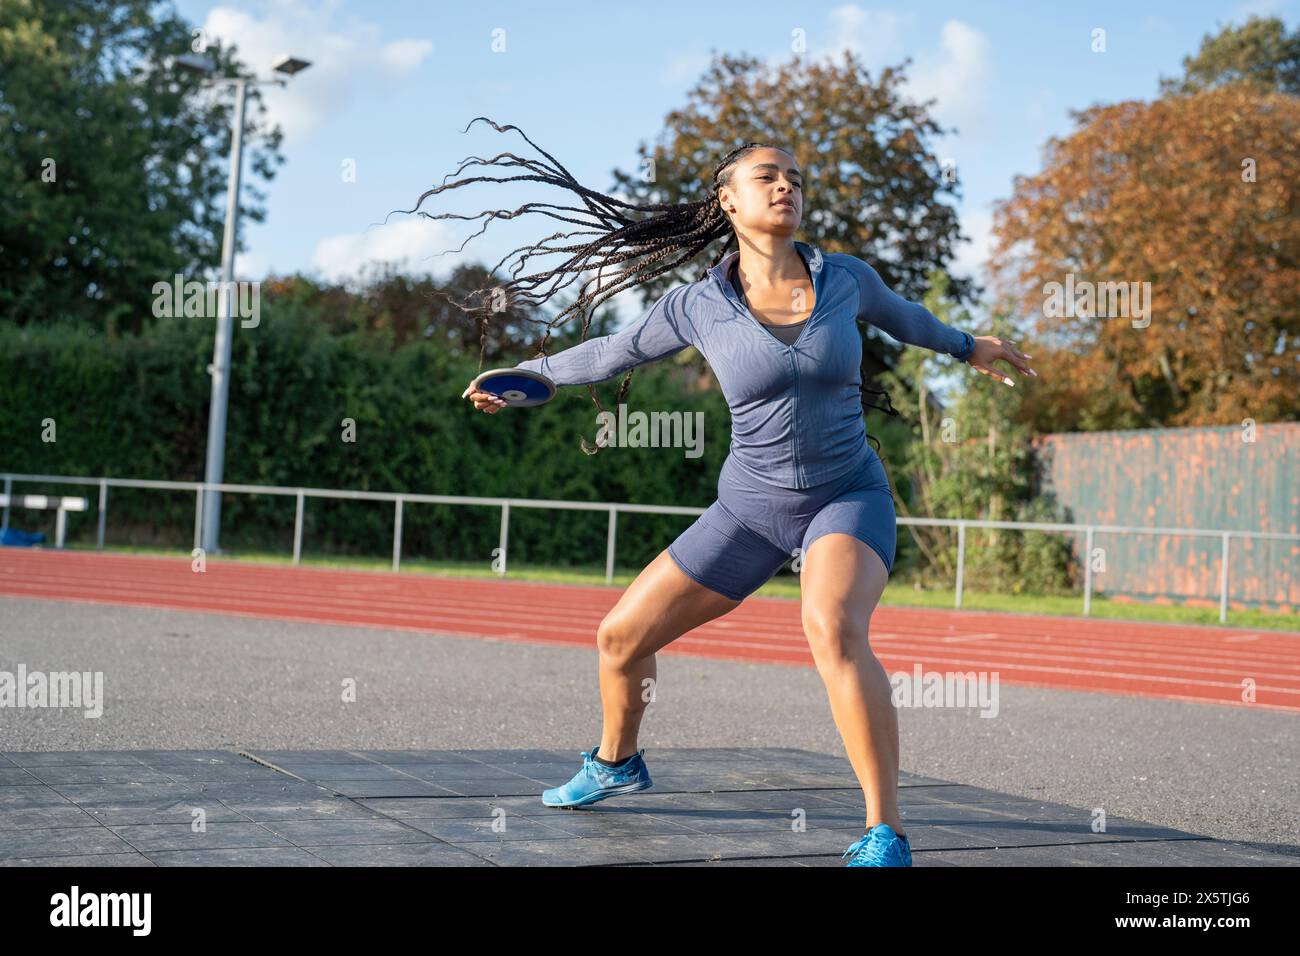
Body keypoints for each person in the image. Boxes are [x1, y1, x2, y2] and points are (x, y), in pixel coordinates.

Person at [458, 137, 1034, 866]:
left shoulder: (846, 279)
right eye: (769, 177)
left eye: (796, 177)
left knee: (833, 627)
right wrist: (528, 373)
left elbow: (907, 317)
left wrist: (966, 345)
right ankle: (616, 763)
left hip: (845, 497)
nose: (787, 187)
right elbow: (614, 351)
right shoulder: (696, 306)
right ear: (729, 199)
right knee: (617, 640)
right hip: (748, 510)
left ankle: (883, 830)